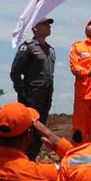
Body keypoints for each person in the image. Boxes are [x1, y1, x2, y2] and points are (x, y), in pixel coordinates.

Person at [9, 17, 56, 161]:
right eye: (45, 24)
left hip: (46, 96)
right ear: (35, 28)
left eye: (49, 24)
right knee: (27, 129)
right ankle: (22, 158)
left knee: (40, 128)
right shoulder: (28, 47)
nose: (48, 26)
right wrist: (22, 94)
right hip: (31, 96)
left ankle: (32, 157)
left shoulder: (50, 50)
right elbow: (15, 72)